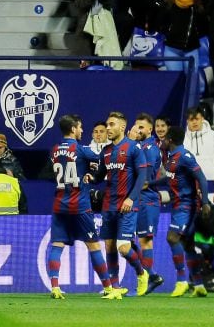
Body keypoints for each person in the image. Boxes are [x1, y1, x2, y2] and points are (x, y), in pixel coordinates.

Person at [47, 114, 114, 299]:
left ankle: (54, 287)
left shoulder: (53, 150)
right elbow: (103, 160)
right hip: (80, 205)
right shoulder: (81, 150)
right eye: (80, 127)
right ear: (74, 129)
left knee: (57, 245)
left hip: (60, 204)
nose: (82, 131)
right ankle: (108, 287)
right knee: (93, 246)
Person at [87, 111, 149, 298]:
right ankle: (115, 288)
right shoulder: (105, 152)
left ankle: (141, 273)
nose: (108, 128)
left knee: (123, 247)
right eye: (107, 124)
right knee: (110, 247)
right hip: (108, 206)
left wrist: (131, 198)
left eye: (112, 124)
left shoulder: (133, 148)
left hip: (127, 205)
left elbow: (142, 176)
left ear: (122, 127)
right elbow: (98, 177)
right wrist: (90, 177)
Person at [153, 125, 212, 298]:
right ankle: (200, 285)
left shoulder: (185, 156)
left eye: (164, 138)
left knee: (172, 237)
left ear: (170, 139)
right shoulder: (172, 158)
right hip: (178, 205)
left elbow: (201, 177)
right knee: (188, 245)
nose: (162, 141)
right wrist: (152, 184)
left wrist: (206, 203)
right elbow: (169, 178)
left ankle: (182, 280)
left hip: (187, 205)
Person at [129, 113, 164, 294]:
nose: (138, 130)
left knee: (145, 241)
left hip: (146, 199)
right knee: (125, 240)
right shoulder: (138, 146)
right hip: (136, 199)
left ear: (150, 130)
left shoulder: (150, 148)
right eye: (136, 126)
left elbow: (144, 179)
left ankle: (146, 281)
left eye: (142, 127)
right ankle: (152, 275)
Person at [183, 106, 214, 183]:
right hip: (189, 184)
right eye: (192, 119)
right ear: (187, 121)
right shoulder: (182, 139)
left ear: (202, 119)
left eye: (197, 119)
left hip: (212, 183)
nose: (194, 122)